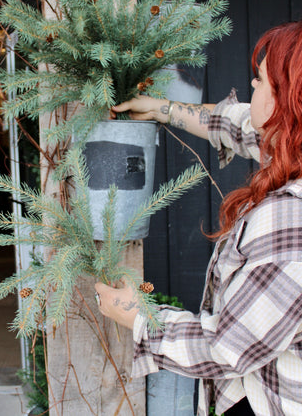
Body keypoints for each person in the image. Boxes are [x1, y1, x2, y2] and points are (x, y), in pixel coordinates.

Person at [95, 21, 302, 416]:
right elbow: (237, 123)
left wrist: (138, 314)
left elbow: (227, 349)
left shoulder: (291, 221)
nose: (251, 88)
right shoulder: (289, 145)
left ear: (289, 99)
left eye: (260, 81)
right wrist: (161, 107)